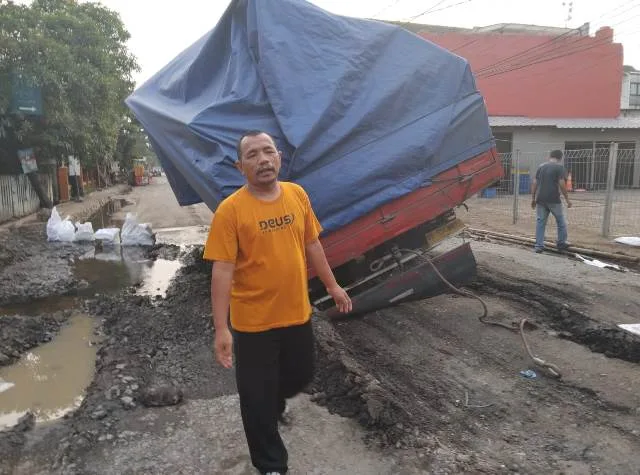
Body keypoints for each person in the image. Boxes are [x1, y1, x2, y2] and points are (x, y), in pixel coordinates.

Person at [203, 130, 352, 475]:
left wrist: (333, 287)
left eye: (268, 152)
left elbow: (312, 244)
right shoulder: (231, 211)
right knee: (255, 398)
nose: (263, 160)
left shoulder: (297, 195)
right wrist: (221, 328)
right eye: (252, 155)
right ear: (241, 167)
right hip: (253, 323)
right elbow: (222, 271)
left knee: (301, 375)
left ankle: (273, 402)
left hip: (296, 314)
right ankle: (271, 464)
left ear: (279, 158)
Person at [531, 149, 572, 253]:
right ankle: (561, 243)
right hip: (553, 199)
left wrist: (533, 198)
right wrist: (567, 199)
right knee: (561, 221)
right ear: (560, 157)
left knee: (540, 222)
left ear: (550, 156)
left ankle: (539, 246)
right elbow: (562, 184)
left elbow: (535, 182)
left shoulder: (541, 167)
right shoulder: (560, 168)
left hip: (540, 199)